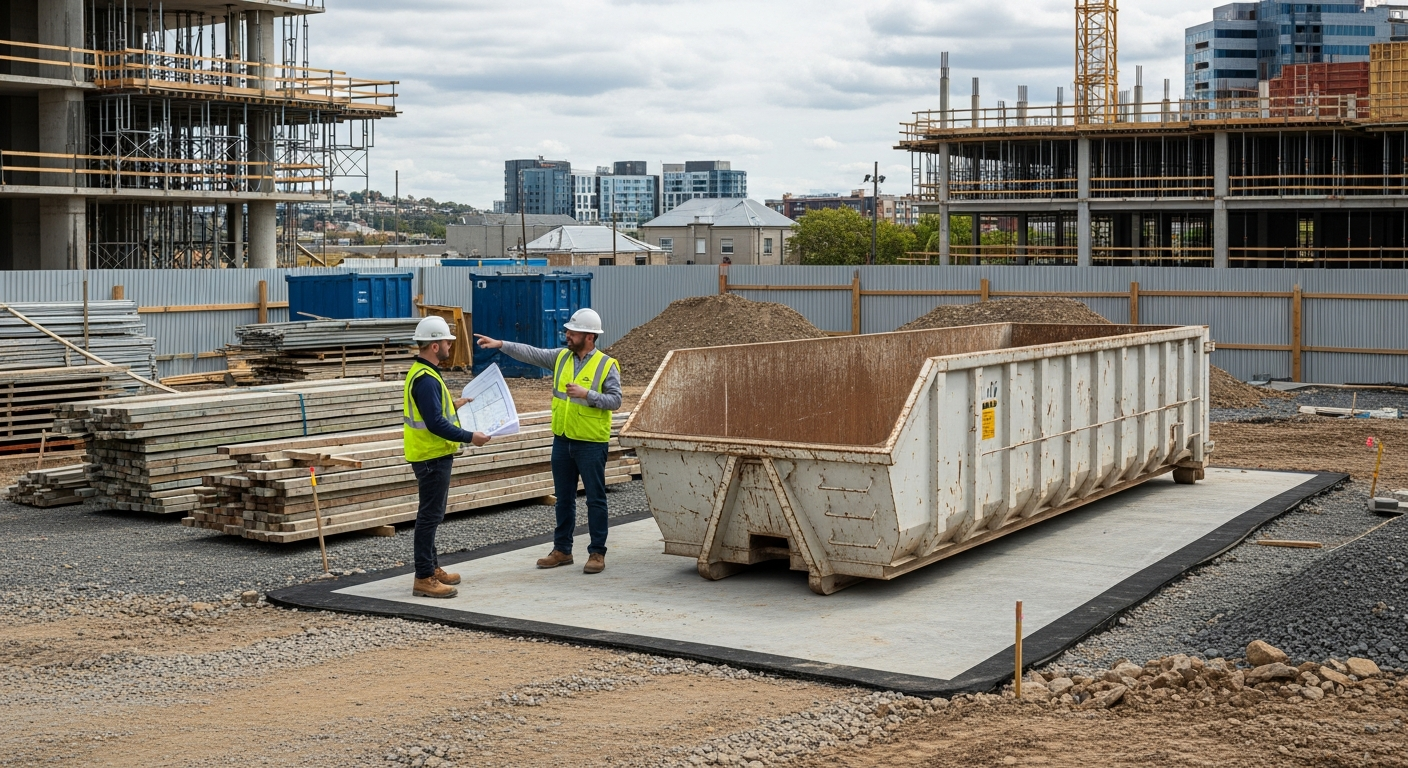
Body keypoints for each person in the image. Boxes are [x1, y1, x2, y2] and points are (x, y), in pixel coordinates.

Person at [475, 308, 621, 574]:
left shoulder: (606, 364)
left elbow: (616, 400)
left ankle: (597, 552)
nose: (567, 335)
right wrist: (500, 345)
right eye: (567, 331)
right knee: (564, 499)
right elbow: (532, 352)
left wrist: (588, 394)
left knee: (595, 500)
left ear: (589, 337)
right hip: (562, 441)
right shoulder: (561, 358)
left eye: (572, 332)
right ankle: (562, 550)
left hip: (590, 443)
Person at [404, 315, 491, 598]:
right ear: (433, 346)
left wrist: (455, 404)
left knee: (433, 514)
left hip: (432, 455)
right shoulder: (426, 379)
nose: (450, 346)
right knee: (429, 516)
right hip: (431, 456)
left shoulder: (424, 373)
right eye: (446, 342)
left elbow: (433, 411)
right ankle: (424, 576)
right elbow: (435, 424)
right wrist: (470, 437)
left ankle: (432, 567)